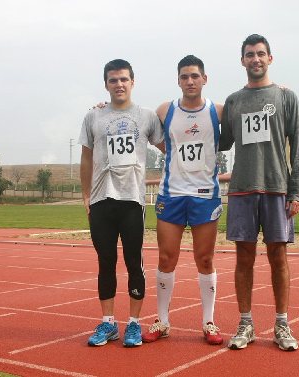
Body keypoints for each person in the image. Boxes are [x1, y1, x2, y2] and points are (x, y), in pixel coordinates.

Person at [219, 34, 299, 351]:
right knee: (244, 260)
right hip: (242, 190)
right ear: (242, 60)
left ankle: (282, 325)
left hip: (276, 189)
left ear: (270, 58)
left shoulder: (286, 97)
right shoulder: (234, 101)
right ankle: (246, 323)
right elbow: (222, 141)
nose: (255, 59)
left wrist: (297, 191)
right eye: (249, 54)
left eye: (260, 54)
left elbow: (298, 144)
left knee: (278, 258)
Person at [79, 59, 163, 347]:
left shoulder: (147, 116)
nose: (119, 84)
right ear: (106, 84)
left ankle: (134, 324)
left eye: (124, 79)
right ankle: (108, 323)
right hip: (101, 200)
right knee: (106, 262)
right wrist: (85, 195)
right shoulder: (93, 117)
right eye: (113, 80)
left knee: (133, 262)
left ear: (133, 82)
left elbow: (168, 146)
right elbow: (87, 157)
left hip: (132, 200)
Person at [142, 55, 224, 345]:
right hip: (172, 193)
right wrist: (102, 108)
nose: (190, 81)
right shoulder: (165, 110)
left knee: (205, 258)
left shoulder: (218, 111)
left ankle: (209, 322)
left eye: (195, 76)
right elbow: (144, 129)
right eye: (184, 77)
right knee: (166, 258)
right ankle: (162, 321)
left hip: (205, 195)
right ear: (178, 80)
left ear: (205, 78)